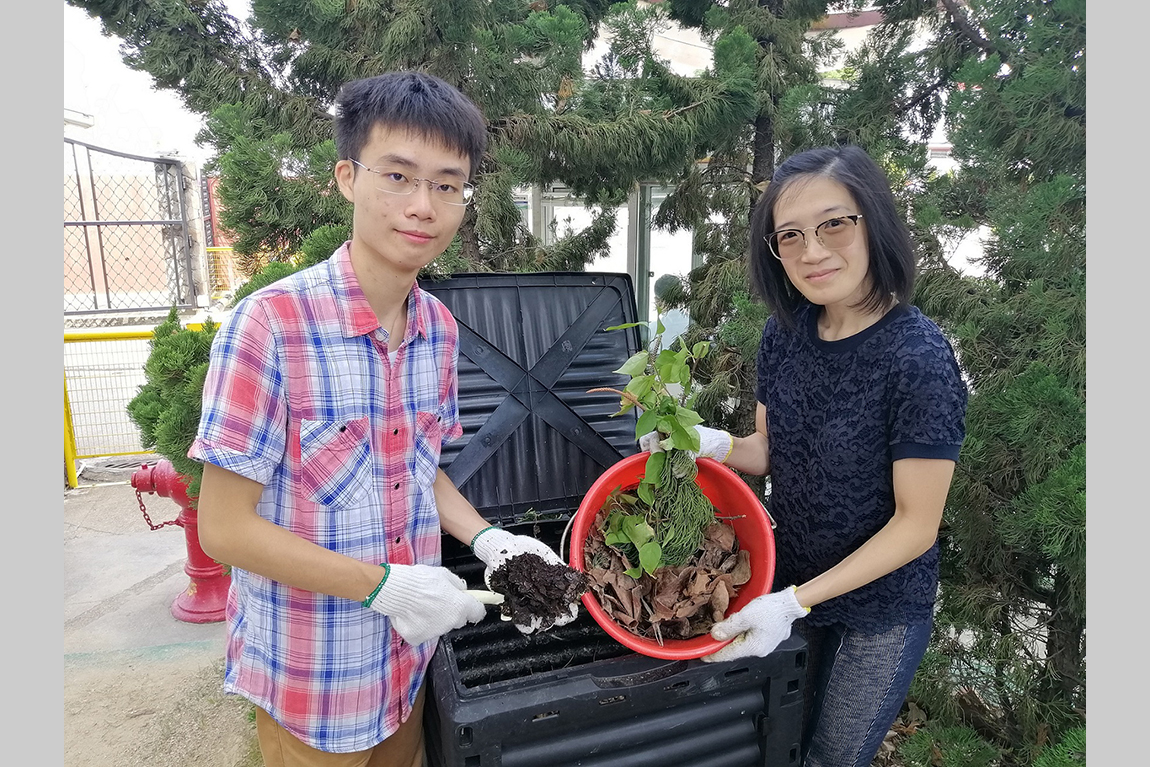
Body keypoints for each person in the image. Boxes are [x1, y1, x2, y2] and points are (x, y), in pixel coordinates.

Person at [189, 71, 577, 767]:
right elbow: (223, 528)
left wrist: (493, 542)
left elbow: (417, 469)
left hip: (407, 666)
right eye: (398, 175)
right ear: (348, 177)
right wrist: (383, 584)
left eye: (447, 184)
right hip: (315, 684)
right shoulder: (270, 326)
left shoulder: (438, 328)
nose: (422, 205)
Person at [641, 144, 968, 766]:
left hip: (878, 609)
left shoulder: (918, 360)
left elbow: (916, 525)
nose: (813, 251)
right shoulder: (786, 332)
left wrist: (796, 602)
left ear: (875, 223)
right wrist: (704, 442)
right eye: (789, 236)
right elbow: (770, 451)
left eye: (834, 224)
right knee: (776, 742)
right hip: (788, 577)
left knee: (829, 756)